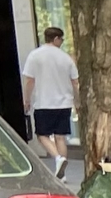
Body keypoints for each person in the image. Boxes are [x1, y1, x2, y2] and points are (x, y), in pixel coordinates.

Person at [21, 25, 79, 179]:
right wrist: (77, 100)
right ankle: (62, 173)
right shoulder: (65, 58)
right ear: (56, 39)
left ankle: (58, 158)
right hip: (64, 103)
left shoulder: (35, 56)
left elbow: (29, 81)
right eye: (61, 39)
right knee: (60, 137)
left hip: (44, 102)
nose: (62, 42)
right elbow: (75, 82)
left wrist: (27, 99)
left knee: (42, 135)